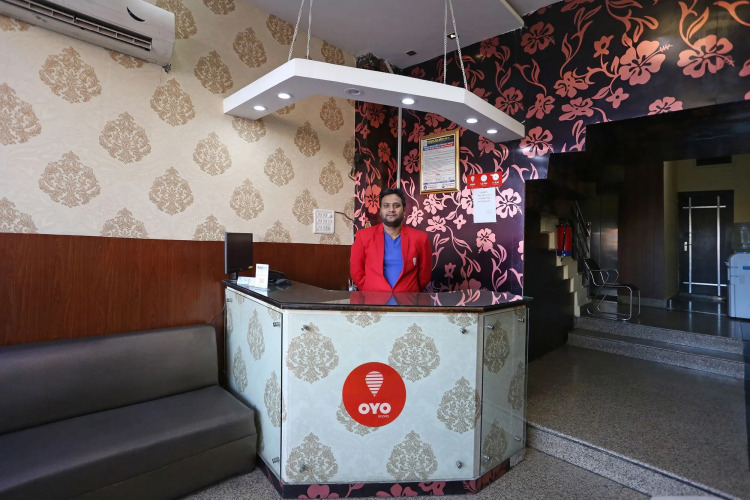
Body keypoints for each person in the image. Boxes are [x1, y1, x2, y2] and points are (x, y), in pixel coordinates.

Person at [350, 187, 432, 293]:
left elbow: (424, 276)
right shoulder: (363, 236)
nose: (391, 210)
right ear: (380, 211)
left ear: (404, 210)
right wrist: (369, 290)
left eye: (396, 206)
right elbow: (356, 272)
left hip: (408, 299)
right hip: (373, 298)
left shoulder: (420, 238)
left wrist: (411, 292)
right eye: (386, 206)